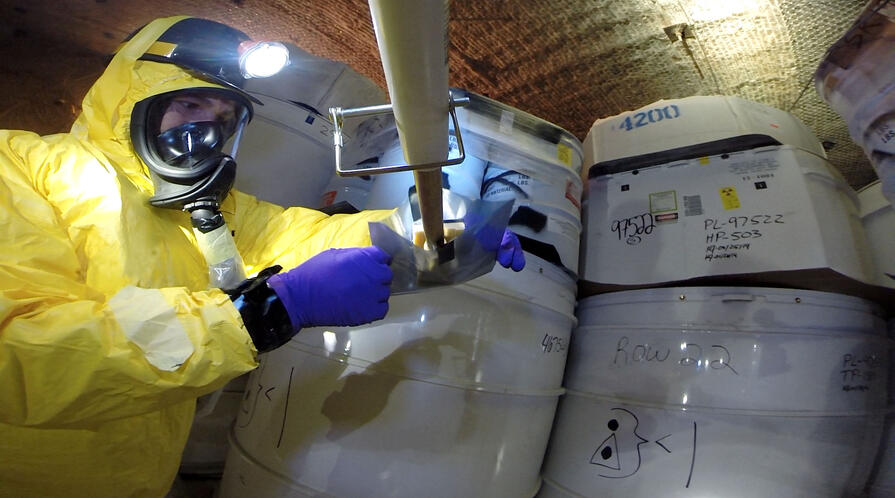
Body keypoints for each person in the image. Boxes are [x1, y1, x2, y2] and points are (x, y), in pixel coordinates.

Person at [0, 15, 523, 498]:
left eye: (224, 118)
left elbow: (308, 238)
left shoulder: (213, 211)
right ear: (132, 97)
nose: (206, 132)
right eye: (189, 105)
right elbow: (21, 354)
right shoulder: (23, 169)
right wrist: (262, 314)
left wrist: (432, 233)